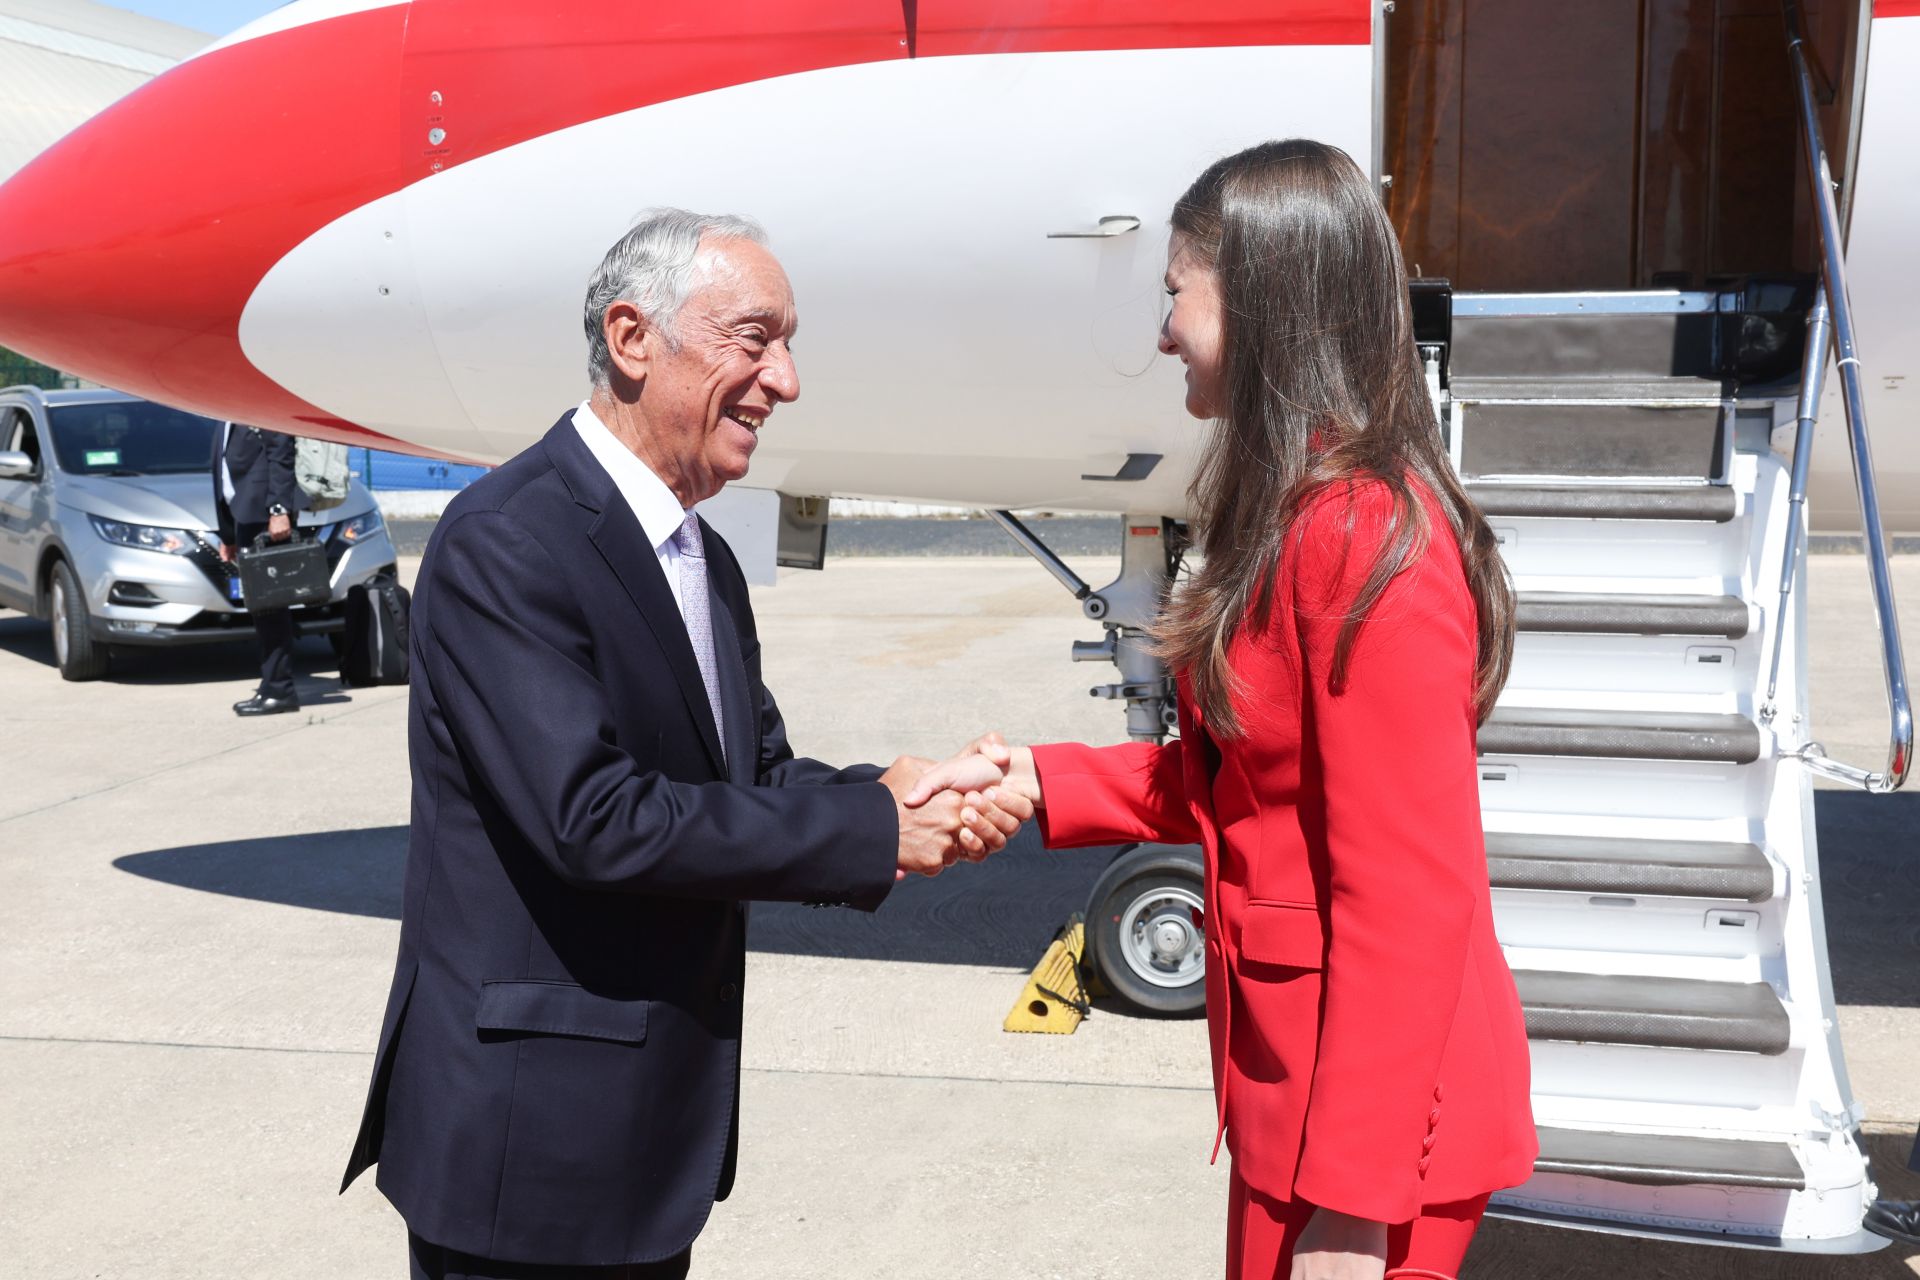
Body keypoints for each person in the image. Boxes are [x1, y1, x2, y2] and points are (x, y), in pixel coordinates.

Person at [339, 209, 1029, 1279]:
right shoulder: (508, 542)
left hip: (641, 1146)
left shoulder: (698, 555)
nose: (785, 380)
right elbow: (594, 817)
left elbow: (746, 779)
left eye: (786, 345)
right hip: (531, 1153)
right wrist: (872, 825)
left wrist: (900, 792)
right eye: (753, 341)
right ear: (632, 338)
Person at [913, 140, 1537, 1279]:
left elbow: (1409, 888)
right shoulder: (1302, 507)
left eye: (1175, 295)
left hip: (1370, 1137)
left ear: (1257, 302)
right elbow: (1254, 782)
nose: (1161, 335)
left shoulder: (1356, 533)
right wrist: (1039, 780)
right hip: (1302, 1096)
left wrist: (1351, 1209)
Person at [214, 421, 303, 715]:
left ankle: (280, 690)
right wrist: (228, 534)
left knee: (270, 607)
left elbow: (281, 450)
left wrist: (279, 510)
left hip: (264, 516)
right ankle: (271, 685)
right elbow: (223, 471)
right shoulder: (223, 412)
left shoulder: (252, 401)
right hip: (245, 515)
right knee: (262, 609)